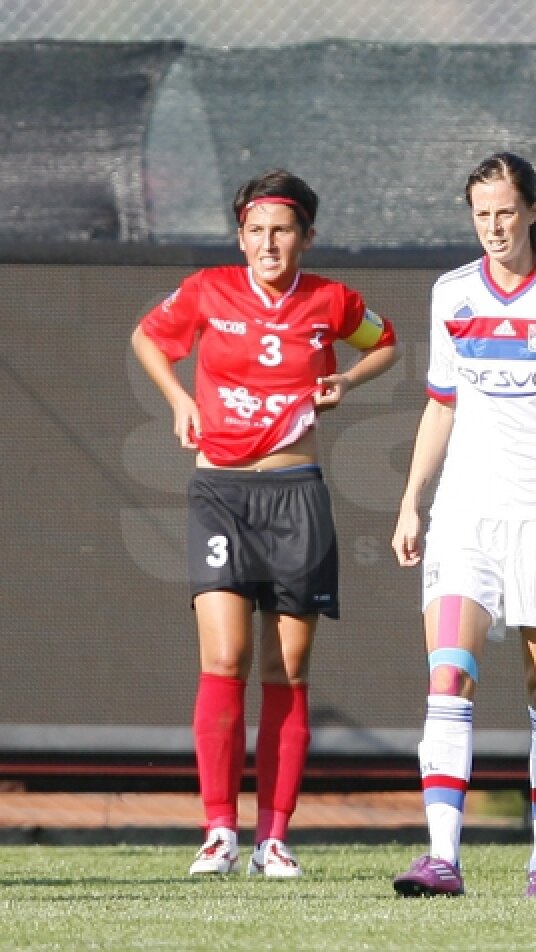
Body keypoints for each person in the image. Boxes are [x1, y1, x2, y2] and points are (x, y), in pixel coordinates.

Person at [131, 169, 398, 878]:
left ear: (307, 235)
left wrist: (346, 380)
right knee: (224, 659)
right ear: (240, 236)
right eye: (256, 230)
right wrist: (178, 401)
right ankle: (218, 832)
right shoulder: (206, 291)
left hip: (295, 492)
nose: (268, 243)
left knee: (288, 667)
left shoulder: (331, 301)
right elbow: (149, 339)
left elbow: (385, 341)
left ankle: (273, 838)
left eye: (282, 229)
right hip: (219, 491)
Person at [390, 152, 536, 899]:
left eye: (504, 212)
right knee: (449, 675)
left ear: (531, 210)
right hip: (467, 516)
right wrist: (412, 497)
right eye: (480, 214)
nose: (492, 227)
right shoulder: (452, 294)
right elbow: (442, 400)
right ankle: (442, 859)